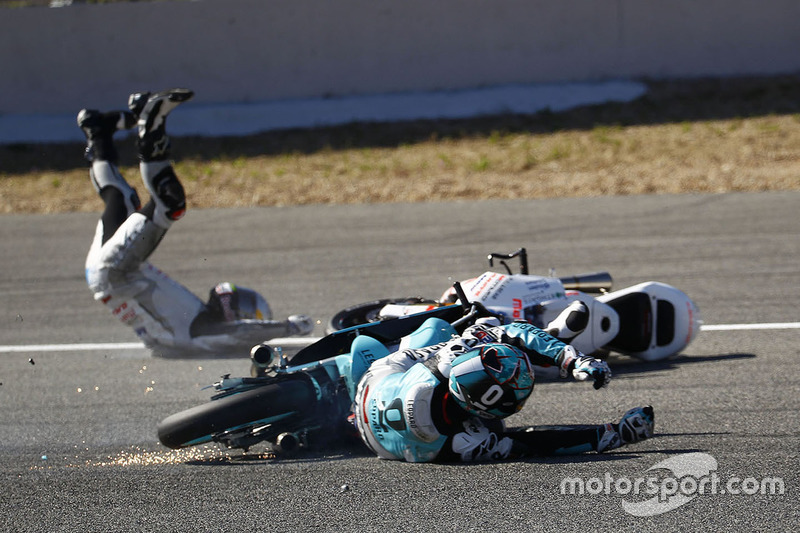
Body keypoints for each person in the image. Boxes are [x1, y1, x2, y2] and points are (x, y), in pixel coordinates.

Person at [79, 88, 313, 358]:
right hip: (110, 271)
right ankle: (98, 132)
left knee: (170, 204)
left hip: (118, 270)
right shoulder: (194, 326)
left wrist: (288, 328)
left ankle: (150, 121)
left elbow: (243, 333)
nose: (233, 299)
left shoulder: (205, 335)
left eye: (245, 305)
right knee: (120, 199)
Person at [353, 315, 654, 462]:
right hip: (382, 444)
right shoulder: (468, 443)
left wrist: (609, 436)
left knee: (445, 330)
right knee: (462, 327)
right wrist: (572, 360)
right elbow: (534, 445)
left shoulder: (449, 359)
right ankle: (548, 337)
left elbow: (533, 444)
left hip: (373, 385)